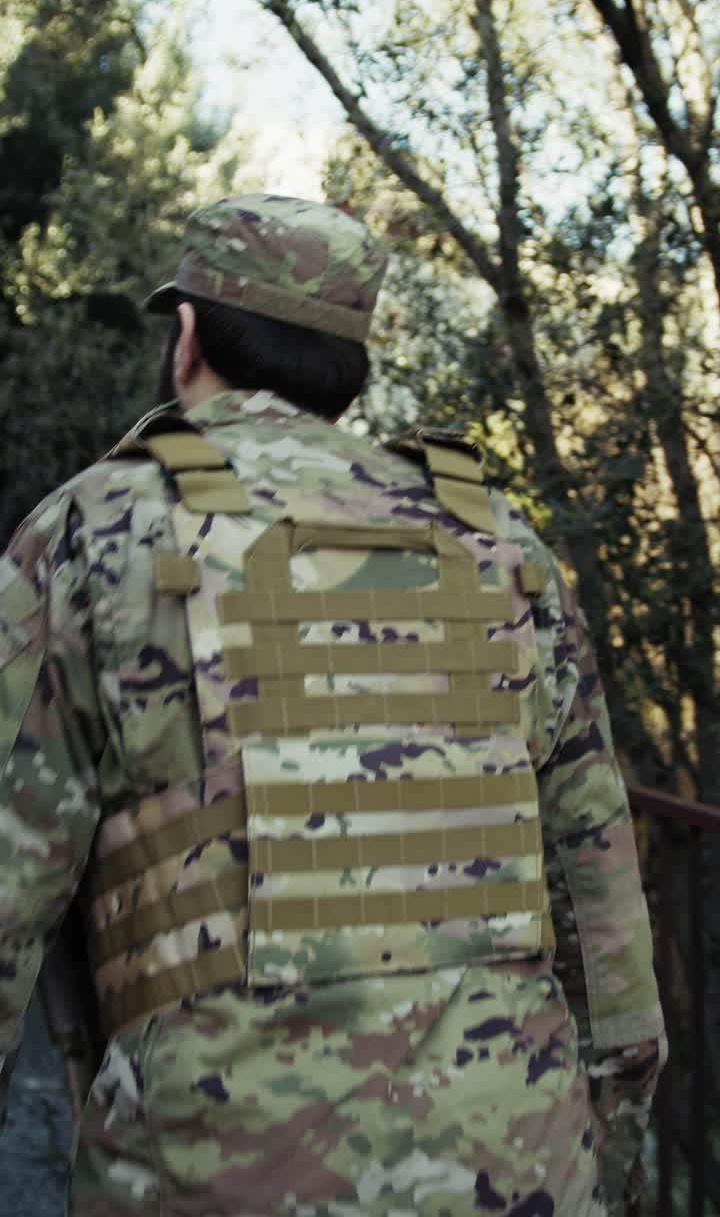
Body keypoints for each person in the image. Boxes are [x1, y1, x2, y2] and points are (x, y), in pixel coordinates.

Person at [0, 194, 665, 1216]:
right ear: (345, 370)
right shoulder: (492, 535)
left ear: (185, 340)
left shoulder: (98, 529)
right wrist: (598, 1131)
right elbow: (597, 869)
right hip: (518, 1156)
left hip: (212, 1165)